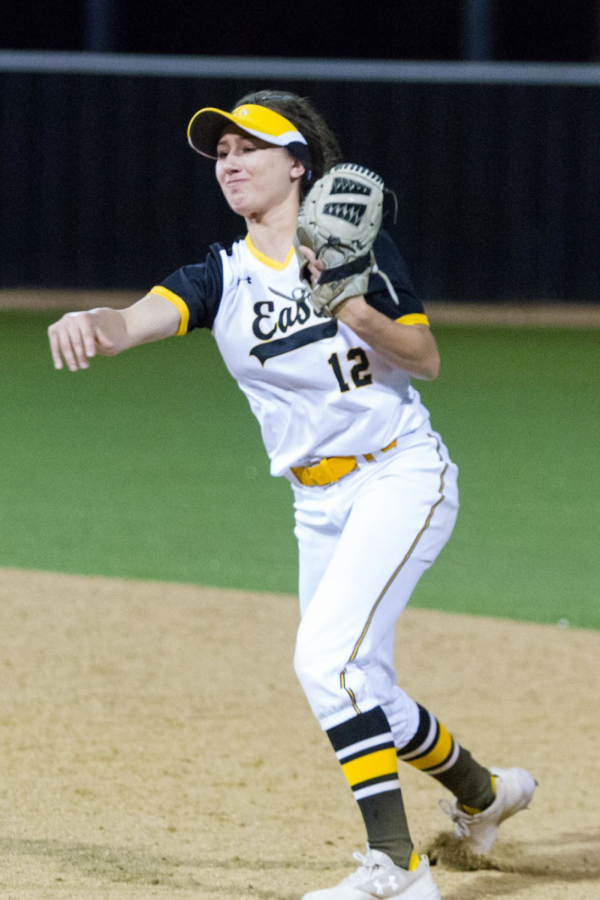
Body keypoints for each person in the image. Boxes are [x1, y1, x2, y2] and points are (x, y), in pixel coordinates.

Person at [47, 90, 536, 900]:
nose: (229, 163)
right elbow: (129, 321)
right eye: (222, 153)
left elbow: (423, 356)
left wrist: (348, 303)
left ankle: (398, 869)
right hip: (317, 504)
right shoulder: (220, 276)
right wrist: (89, 322)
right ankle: (488, 795)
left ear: (299, 164)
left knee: (322, 662)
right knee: (360, 683)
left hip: (399, 473)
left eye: (250, 149)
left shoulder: (358, 247)